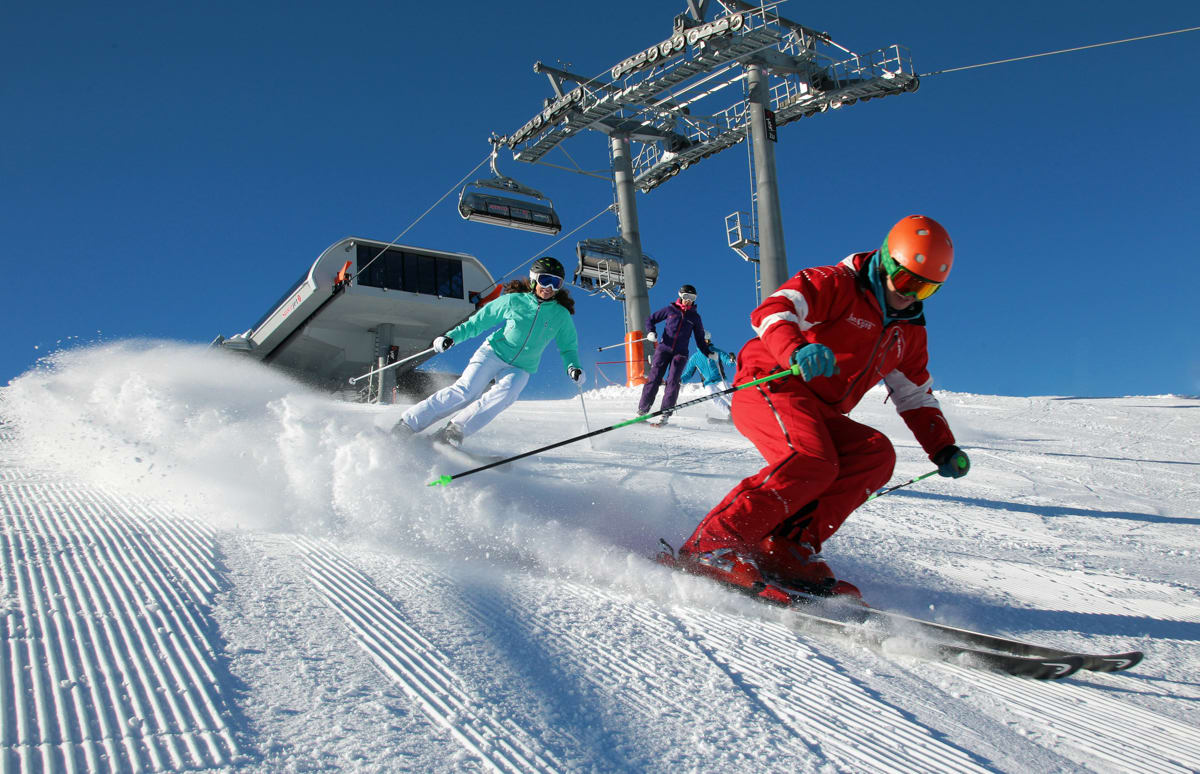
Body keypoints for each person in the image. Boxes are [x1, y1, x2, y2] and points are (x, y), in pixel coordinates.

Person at [675, 215, 971, 601]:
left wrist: (942, 447)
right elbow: (774, 310)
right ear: (887, 262)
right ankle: (712, 545)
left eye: (926, 289)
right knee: (812, 458)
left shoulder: (908, 332)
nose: (911, 295)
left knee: (874, 454)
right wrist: (796, 349)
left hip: (820, 409)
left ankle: (785, 546)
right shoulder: (838, 283)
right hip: (772, 381)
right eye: (906, 281)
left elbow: (915, 396)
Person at [393, 256, 584, 447]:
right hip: (493, 353)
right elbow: (478, 322)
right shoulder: (513, 301)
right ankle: (408, 423)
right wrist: (451, 337)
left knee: (506, 395)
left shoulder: (561, 315)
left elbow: (568, 347)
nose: (549, 287)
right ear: (534, 279)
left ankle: (454, 431)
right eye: (545, 280)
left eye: (555, 283)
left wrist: (573, 367)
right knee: (466, 391)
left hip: (522, 366)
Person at [637, 284, 713, 423]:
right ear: (680, 296)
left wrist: (708, 352)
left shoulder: (695, 317)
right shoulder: (670, 310)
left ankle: (665, 413)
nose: (688, 300)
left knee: (673, 381)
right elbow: (651, 319)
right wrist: (651, 331)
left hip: (680, 353)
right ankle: (643, 410)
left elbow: (700, 338)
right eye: (686, 296)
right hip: (663, 349)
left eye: (692, 298)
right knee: (654, 378)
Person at [679, 332, 738, 419]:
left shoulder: (716, 351)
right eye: (704, 341)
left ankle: (742, 410)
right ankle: (730, 413)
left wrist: (731, 360)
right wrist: (680, 380)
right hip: (708, 383)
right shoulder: (694, 358)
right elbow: (688, 373)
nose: (706, 343)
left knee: (730, 394)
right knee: (714, 398)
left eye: (707, 341)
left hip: (720, 380)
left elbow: (728, 361)